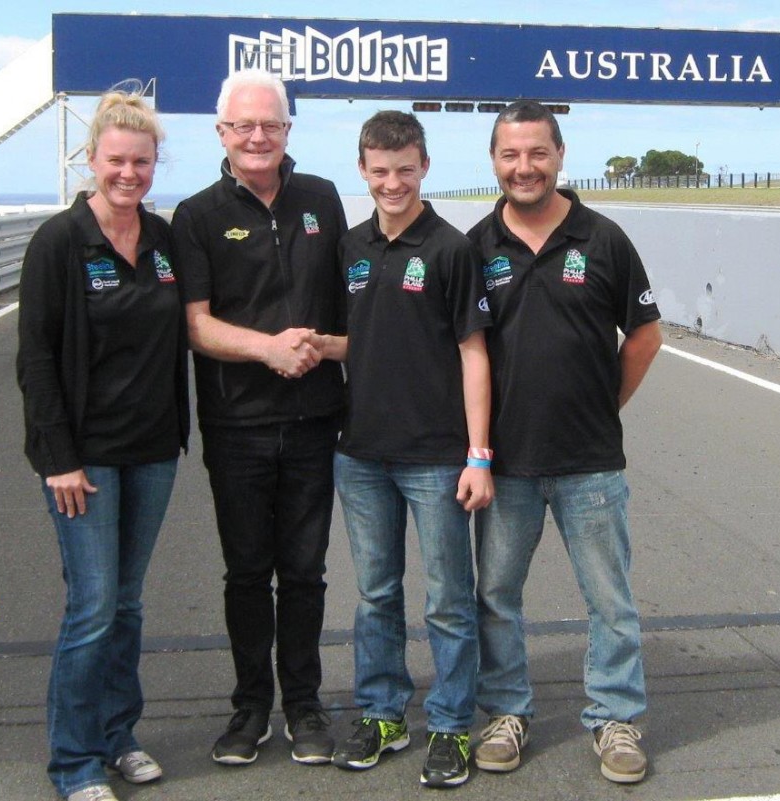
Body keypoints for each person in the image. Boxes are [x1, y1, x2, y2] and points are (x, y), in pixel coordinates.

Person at [466, 100, 663, 784]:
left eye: (537, 153)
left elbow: (645, 336)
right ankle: (504, 711)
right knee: (495, 593)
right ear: (494, 161)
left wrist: (605, 406)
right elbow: (464, 352)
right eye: (511, 154)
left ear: (559, 155)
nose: (525, 167)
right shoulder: (475, 246)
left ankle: (615, 717)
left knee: (610, 598)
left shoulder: (603, 238)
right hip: (506, 462)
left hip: (590, 464)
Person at [16, 86, 189, 801]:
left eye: (141, 163)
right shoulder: (60, 241)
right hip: (82, 460)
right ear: (93, 159)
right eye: (117, 161)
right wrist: (57, 456)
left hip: (151, 450)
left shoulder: (163, 238)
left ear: (155, 165)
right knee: (90, 606)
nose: (129, 174)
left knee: (128, 602)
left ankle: (119, 735)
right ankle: (74, 760)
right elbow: (36, 358)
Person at [170, 69, 347, 767]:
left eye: (269, 124)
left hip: (314, 417)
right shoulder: (198, 214)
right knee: (247, 571)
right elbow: (198, 326)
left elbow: (349, 297)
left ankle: (303, 703)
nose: (256, 136)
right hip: (237, 423)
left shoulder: (323, 199)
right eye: (243, 125)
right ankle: (250, 707)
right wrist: (269, 349)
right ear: (221, 132)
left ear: (287, 131)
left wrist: (327, 348)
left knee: (305, 571)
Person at [328, 110, 494, 789]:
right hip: (361, 452)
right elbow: (361, 337)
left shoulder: (452, 249)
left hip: (435, 456)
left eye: (404, 169)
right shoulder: (350, 247)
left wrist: (478, 452)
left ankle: (452, 722)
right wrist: (310, 346)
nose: (392, 182)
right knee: (375, 593)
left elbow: (473, 351)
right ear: (362, 171)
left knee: (449, 599)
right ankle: (383, 711)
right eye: (379, 170)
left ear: (424, 166)